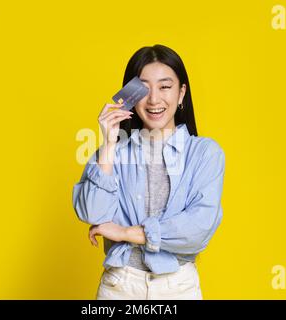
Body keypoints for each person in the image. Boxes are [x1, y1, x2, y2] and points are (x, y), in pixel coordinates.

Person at [72, 44, 225, 300]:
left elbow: (197, 229)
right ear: (130, 95)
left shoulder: (205, 153)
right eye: (143, 88)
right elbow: (93, 213)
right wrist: (109, 143)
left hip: (179, 288)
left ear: (181, 93)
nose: (154, 99)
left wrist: (126, 233)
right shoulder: (114, 152)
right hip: (120, 286)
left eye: (165, 86)